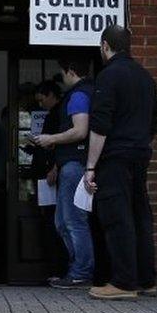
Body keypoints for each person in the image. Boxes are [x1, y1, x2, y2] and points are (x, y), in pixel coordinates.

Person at [84, 24, 157, 300]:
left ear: (105, 46)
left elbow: (100, 125)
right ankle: (145, 280)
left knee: (117, 217)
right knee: (140, 215)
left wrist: (91, 167)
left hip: (115, 156)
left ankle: (124, 283)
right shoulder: (146, 78)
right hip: (140, 154)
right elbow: (154, 122)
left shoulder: (108, 76)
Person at [35, 56, 96, 289]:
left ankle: (81, 271)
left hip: (74, 165)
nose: (61, 77)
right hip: (71, 163)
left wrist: (52, 138)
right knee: (63, 221)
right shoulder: (90, 91)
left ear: (71, 71)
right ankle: (78, 269)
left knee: (72, 221)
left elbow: (80, 130)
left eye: (62, 72)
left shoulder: (79, 95)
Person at [22, 80, 67, 279]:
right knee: (52, 219)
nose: (40, 105)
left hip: (51, 173)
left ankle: (58, 268)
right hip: (47, 172)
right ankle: (56, 268)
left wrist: (54, 167)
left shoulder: (58, 114)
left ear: (51, 95)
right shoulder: (54, 114)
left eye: (42, 100)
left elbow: (61, 144)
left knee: (54, 220)